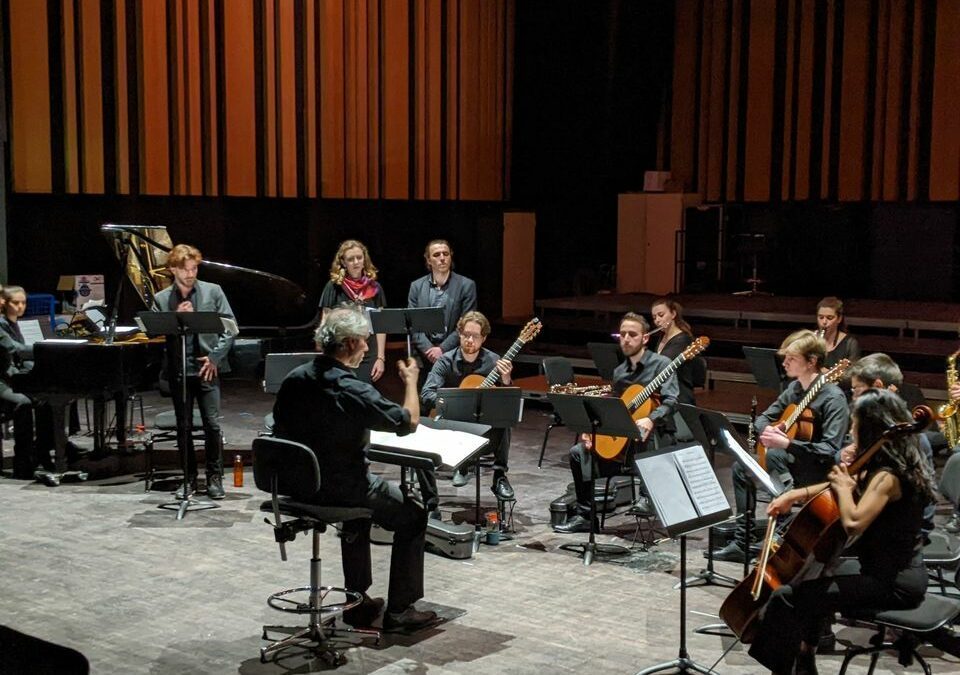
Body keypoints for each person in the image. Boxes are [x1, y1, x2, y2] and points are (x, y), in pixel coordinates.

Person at [747, 388, 935, 675]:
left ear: (870, 428)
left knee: (789, 596)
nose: (851, 429)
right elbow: (841, 483)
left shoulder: (888, 476)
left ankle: (786, 668)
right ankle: (804, 659)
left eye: (855, 423)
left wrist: (845, 489)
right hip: (882, 569)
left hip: (894, 583)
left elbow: (853, 522)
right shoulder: (888, 463)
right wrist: (794, 495)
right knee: (817, 574)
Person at [272, 306, 436, 630]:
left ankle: (357, 602)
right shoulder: (351, 389)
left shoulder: (295, 379)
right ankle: (400, 611)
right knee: (414, 514)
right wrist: (411, 381)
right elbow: (408, 421)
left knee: (358, 517)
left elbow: (277, 425)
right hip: (342, 488)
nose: (366, 348)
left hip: (296, 487)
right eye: (363, 341)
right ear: (348, 344)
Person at [711, 330, 848, 563]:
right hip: (786, 461)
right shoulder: (794, 389)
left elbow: (830, 450)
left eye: (791, 358)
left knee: (775, 455)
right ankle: (742, 542)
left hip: (815, 470)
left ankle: (778, 541)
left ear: (812, 362)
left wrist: (788, 443)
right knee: (741, 468)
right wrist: (769, 429)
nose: (784, 363)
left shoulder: (833, 398)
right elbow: (763, 417)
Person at [553, 312, 679, 534]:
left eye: (632, 334)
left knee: (643, 432)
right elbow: (611, 408)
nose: (626, 339)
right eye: (622, 334)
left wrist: (651, 418)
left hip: (652, 441)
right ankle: (585, 516)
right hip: (621, 446)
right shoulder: (620, 372)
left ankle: (646, 499)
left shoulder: (662, 364)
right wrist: (590, 431)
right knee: (577, 453)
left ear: (645, 338)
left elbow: (672, 401)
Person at [152, 244, 235, 500]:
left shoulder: (213, 291)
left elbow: (230, 328)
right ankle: (188, 479)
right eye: (185, 269)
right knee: (183, 427)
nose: (191, 274)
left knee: (211, 425)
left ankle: (214, 477)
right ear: (173, 270)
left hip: (206, 369)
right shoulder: (162, 298)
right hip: (180, 371)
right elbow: (154, 331)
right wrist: (175, 317)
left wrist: (214, 358)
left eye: (194, 268)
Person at [420, 311, 515, 500]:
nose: (469, 340)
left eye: (475, 336)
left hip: (482, 428)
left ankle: (499, 476)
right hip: (453, 428)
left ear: (484, 338)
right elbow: (426, 394)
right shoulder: (445, 361)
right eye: (465, 335)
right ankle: (461, 465)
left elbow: (506, 400)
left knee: (505, 420)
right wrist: (455, 402)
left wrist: (505, 379)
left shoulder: (494, 362)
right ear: (459, 334)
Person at [0, 286, 53, 478]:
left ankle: (44, 451)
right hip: (2, 380)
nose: (21, 306)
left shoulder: (13, 324)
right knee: (23, 402)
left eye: (23, 302)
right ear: (5, 303)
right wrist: (47, 350)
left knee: (47, 397)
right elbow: (15, 349)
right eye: (16, 302)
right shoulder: (1, 325)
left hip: (11, 376)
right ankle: (22, 462)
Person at [319, 239, 387, 383]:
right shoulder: (333, 287)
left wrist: (380, 357)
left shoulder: (375, 288)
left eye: (359, 257)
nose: (356, 262)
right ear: (343, 262)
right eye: (351, 259)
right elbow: (325, 323)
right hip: (342, 351)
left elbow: (381, 326)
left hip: (367, 351)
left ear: (364, 259)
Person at [407, 240, 477, 371]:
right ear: (428, 260)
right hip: (424, 357)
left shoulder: (466, 285)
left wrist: (442, 349)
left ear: (451, 256)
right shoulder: (416, 286)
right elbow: (412, 324)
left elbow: (467, 324)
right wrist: (429, 350)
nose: (442, 258)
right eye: (436, 255)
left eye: (446, 254)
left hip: (455, 354)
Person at [651, 297, 702, 405]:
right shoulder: (662, 337)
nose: (657, 320)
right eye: (654, 317)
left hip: (679, 398)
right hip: (662, 395)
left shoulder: (683, 340)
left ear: (673, 314)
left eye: (661, 315)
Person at [816, 296, 860, 369]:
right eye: (821, 317)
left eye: (829, 318)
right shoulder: (809, 339)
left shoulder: (850, 344)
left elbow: (853, 374)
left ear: (839, 319)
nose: (824, 322)